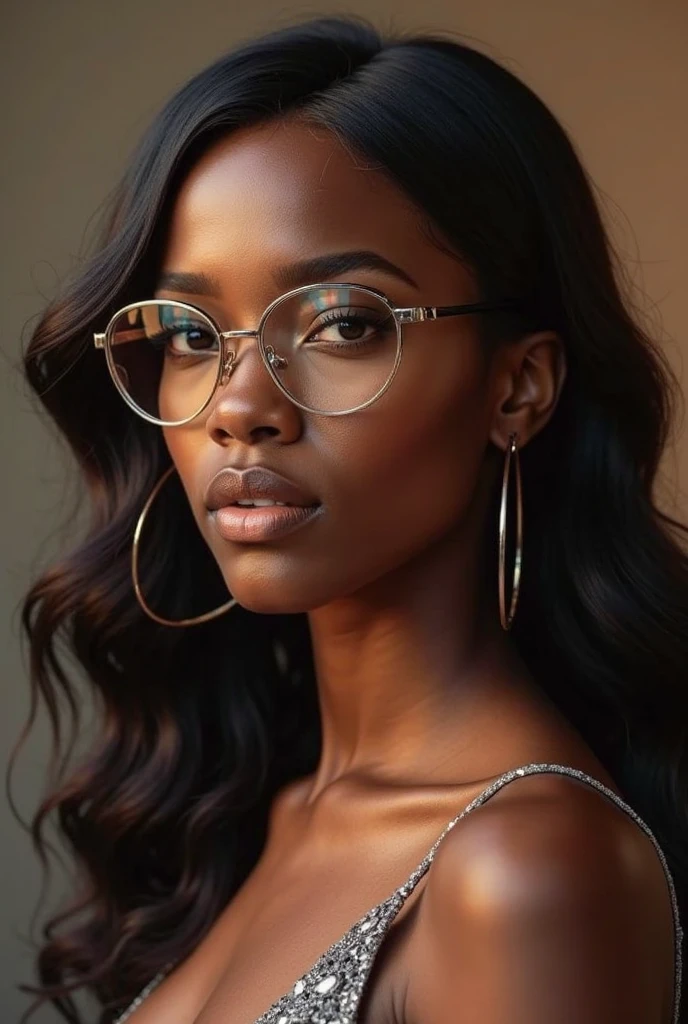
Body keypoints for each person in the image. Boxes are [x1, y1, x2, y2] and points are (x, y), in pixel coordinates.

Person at [13, 14, 688, 1024]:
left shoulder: (526, 871)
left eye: (340, 323)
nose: (240, 406)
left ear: (518, 387)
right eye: (194, 335)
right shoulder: (260, 812)